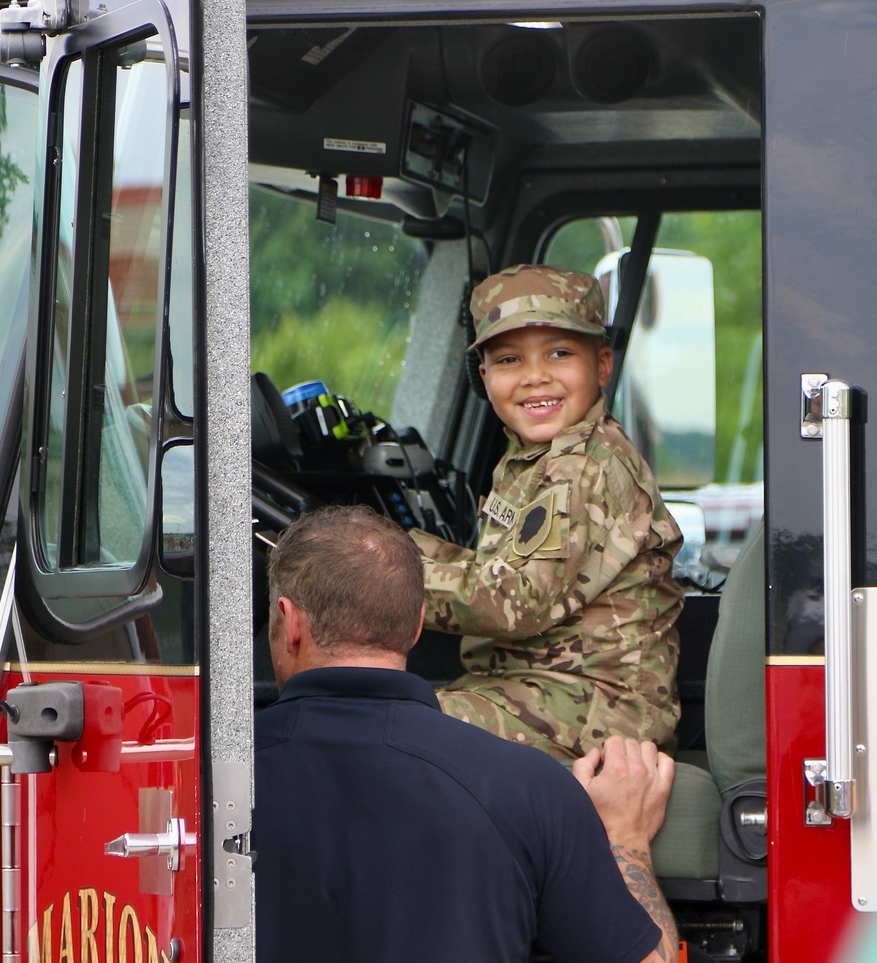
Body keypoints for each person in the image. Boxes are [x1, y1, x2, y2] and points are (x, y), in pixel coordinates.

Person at [254, 505, 679, 963]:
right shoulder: (531, 788)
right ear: (416, 625)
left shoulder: (209, 781)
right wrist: (626, 840)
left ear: (290, 622)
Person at [409, 264, 684, 760]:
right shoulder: (532, 458)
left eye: (559, 353)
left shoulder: (583, 465)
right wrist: (403, 548)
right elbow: (502, 571)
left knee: (398, 732)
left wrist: (386, 578)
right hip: (538, 685)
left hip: (604, 707)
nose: (535, 377)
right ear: (485, 376)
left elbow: (514, 601)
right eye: (510, 359)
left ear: (602, 365)